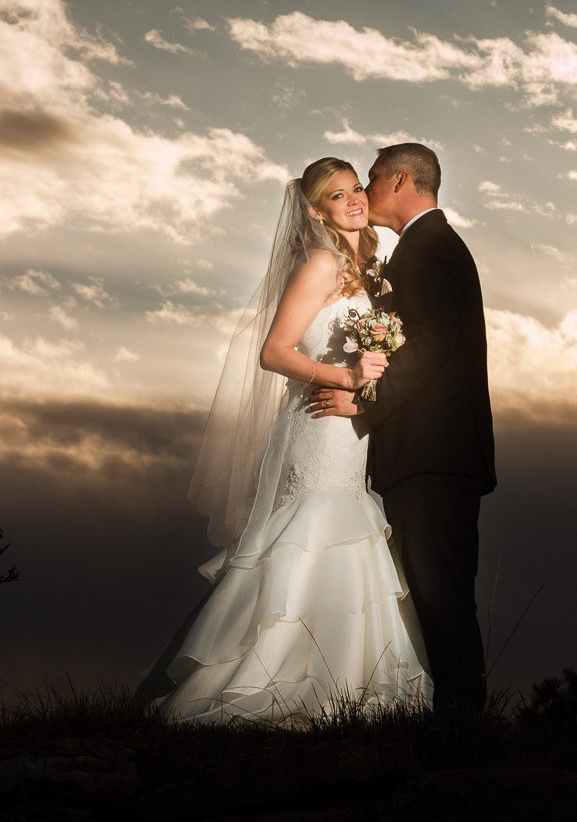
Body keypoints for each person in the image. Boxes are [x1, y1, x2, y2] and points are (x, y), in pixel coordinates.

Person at [144, 157, 432, 724]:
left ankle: (343, 681)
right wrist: (348, 377)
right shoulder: (321, 264)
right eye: (335, 196)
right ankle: (278, 679)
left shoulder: (366, 271)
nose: (352, 200)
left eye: (355, 189)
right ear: (314, 210)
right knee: (313, 532)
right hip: (320, 426)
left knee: (344, 531)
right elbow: (274, 351)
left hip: (352, 432)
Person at [309, 143, 495, 713]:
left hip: (432, 453)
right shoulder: (423, 247)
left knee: (442, 596)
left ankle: (461, 730)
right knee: (437, 594)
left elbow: (431, 342)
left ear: (399, 179)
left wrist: (367, 402)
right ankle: (454, 722)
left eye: (368, 179)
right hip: (430, 453)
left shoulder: (428, 248)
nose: (363, 192)